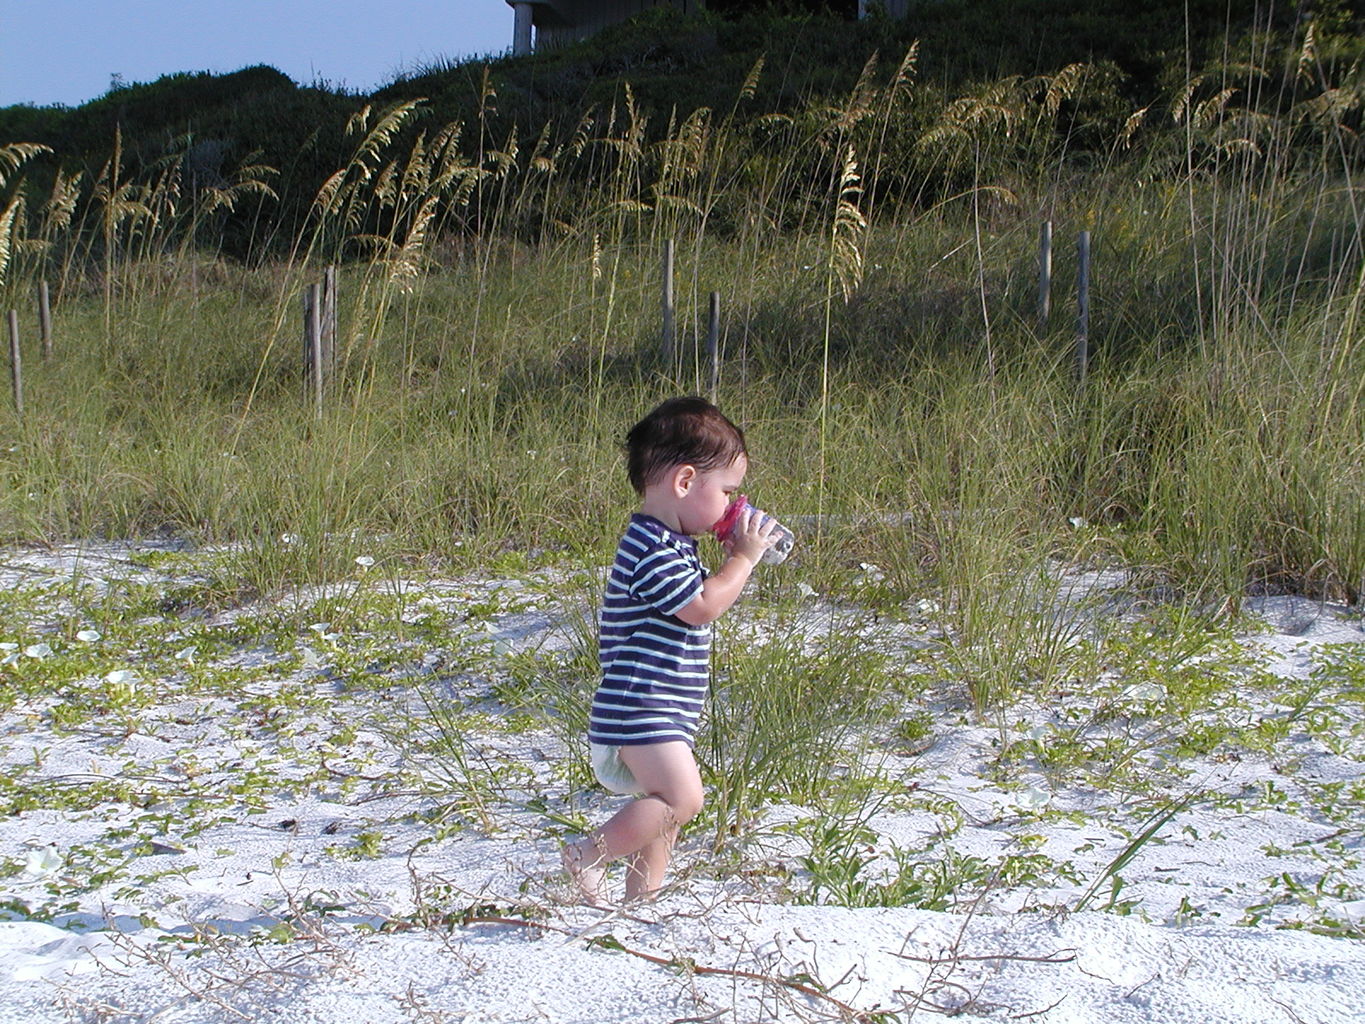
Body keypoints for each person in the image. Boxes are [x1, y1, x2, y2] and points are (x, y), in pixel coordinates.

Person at [561, 396, 777, 904]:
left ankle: (643, 899)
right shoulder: (650, 548)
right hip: (641, 705)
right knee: (682, 800)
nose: (733, 506)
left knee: (662, 807)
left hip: (660, 707)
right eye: (727, 492)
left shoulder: (671, 544)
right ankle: (587, 854)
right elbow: (702, 606)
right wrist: (743, 561)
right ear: (684, 482)